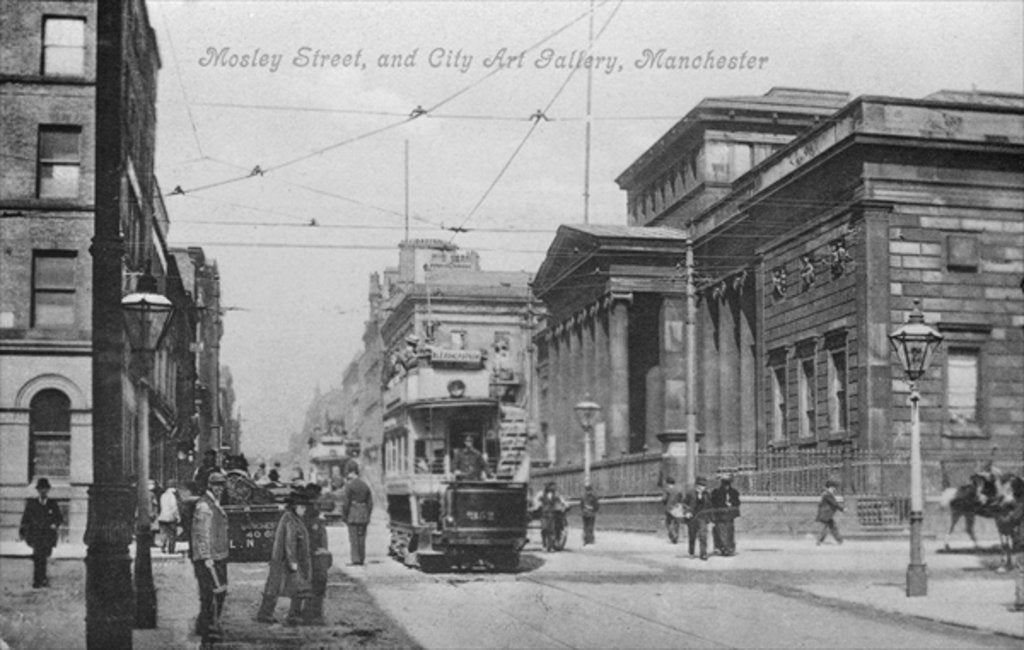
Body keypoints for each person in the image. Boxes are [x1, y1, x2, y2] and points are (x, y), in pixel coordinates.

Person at [256, 487, 314, 625]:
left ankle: (268, 614)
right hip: (286, 561)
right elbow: (290, 542)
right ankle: (290, 616)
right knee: (294, 586)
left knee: (276, 586)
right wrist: (293, 561)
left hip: (284, 560)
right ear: (295, 506)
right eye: (302, 507)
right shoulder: (290, 520)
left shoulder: (292, 517)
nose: (304, 509)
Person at [192, 472, 230, 640]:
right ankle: (208, 626)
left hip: (217, 555)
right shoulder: (205, 506)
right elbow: (202, 533)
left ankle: (207, 624)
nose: (219, 488)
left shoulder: (213, 503)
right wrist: (206, 556)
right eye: (216, 485)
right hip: (210, 558)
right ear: (210, 486)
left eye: (222, 485)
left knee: (216, 591)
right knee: (211, 593)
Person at [19, 477, 63, 588]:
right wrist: (24, 533)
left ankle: (42, 578)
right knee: (38, 557)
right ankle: (38, 580)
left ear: (48, 490)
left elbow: (59, 518)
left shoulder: (52, 504)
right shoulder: (32, 504)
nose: (43, 491)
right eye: (41, 489)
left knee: (44, 556)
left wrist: (55, 524)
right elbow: (25, 519)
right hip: (36, 535)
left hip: (48, 535)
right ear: (37, 490)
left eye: (45, 489)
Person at [303, 484, 332, 625]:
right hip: (312, 553)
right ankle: (314, 614)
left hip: (312, 553)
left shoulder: (307, 515)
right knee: (317, 582)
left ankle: (310, 613)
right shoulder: (311, 517)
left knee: (311, 583)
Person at [338, 463, 373, 565]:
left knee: (353, 538)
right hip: (364, 514)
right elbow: (370, 503)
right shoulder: (365, 485)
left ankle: (355, 559)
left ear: (350, 472)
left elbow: (346, 503)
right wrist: (367, 514)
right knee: (362, 537)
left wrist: (344, 516)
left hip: (353, 514)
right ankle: (362, 558)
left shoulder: (349, 486)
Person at [711, 474, 741, 556]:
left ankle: (728, 548)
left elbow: (737, 502)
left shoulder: (734, 492)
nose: (726, 486)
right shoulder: (716, 492)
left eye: (728, 484)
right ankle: (723, 548)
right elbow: (713, 503)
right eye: (725, 484)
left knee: (729, 531)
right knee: (721, 531)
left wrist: (731, 504)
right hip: (720, 515)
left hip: (729, 515)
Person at [682, 476, 712, 560]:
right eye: (700, 486)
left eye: (703, 486)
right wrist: (687, 512)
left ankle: (703, 554)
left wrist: (710, 517)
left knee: (703, 535)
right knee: (692, 535)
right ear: (696, 486)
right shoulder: (690, 493)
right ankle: (691, 552)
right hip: (692, 517)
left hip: (702, 517)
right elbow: (684, 504)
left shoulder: (707, 494)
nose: (702, 488)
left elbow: (710, 506)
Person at [537, 482, 568, 552]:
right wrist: (538, 505)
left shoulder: (556, 494)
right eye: (551, 486)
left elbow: (561, 500)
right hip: (544, 514)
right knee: (544, 529)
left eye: (554, 487)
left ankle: (550, 546)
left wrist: (564, 504)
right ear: (548, 487)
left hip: (552, 514)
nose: (553, 488)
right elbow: (536, 500)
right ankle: (544, 545)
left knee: (551, 530)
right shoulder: (541, 493)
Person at [816, 479, 845, 545]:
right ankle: (819, 540)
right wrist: (842, 509)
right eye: (834, 487)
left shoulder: (826, 494)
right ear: (831, 487)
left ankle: (839, 540)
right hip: (826, 514)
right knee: (825, 528)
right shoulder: (827, 494)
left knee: (832, 527)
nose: (835, 489)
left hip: (827, 514)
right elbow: (834, 503)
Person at [158, 481, 180, 554]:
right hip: (170, 518)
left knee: (163, 533)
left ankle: (163, 547)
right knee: (172, 534)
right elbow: (174, 507)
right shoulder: (172, 496)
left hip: (162, 516)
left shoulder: (163, 495)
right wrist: (177, 516)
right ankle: (171, 549)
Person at [661, 476, 685, 544]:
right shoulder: (679, 489)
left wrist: (664, 503)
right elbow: (682, 498)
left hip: (669, 508)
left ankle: (672, 534)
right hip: (677, 507)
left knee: (668, 522)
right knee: (676, 523)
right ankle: (676, 536)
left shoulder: (667, 490)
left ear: (667, 483)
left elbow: (664, 499)